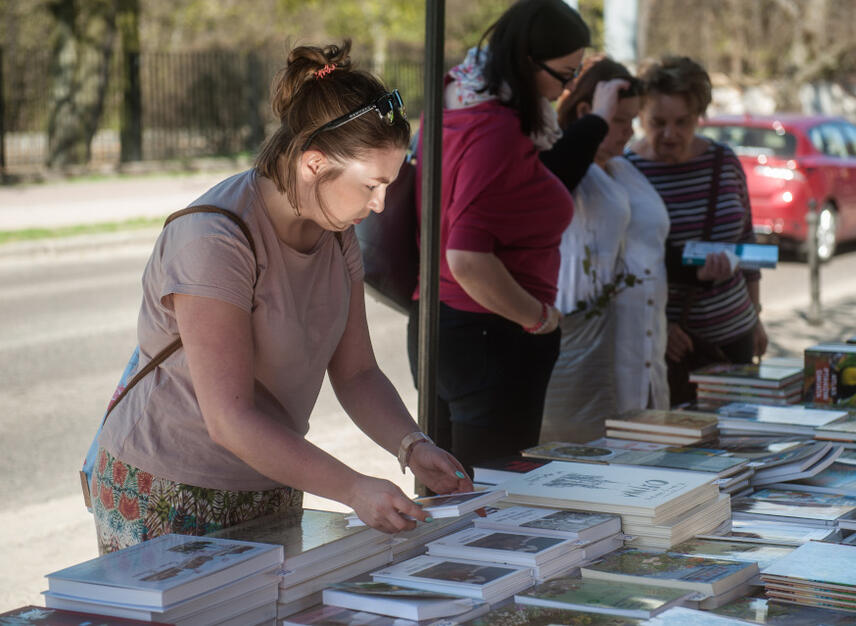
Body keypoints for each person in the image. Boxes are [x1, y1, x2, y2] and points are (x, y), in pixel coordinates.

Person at [91, 41, 472, 554]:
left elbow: (357, 373)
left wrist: (412, 445)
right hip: (169, 488)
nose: (380, 205)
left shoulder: (336, 231)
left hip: (270, 476)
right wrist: (353, 488)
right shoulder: (214, 238)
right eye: (371, 186)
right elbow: (230, 419)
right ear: (314, 164)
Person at [406, 0, 616, 474]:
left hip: (442, 327)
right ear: (526, 62)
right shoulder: (496, 129)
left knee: (450, 497)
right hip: (490, 334)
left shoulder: (457, 100)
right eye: (565, 74)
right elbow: (467, 257)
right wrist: (539, 318)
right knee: (492, 505)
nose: (566, 88)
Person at [624, 56, 768, 406]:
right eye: (657, 122)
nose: (670, 135)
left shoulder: (723, 161)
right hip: (669, 348)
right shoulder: (627, 171)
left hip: (733, 337)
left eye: (682, 122)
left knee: (736, 442)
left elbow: (745, 240)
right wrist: (658, 329)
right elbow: (621, 265)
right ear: (640, 115)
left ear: (699, 117)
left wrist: (756, 318)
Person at [541, 56, 671, 443]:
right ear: (588, 113)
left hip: (645, 343)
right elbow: (559, 175)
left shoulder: (622, 168)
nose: (629, 133)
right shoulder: (568, 161)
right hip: (591, 347)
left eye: (633, 121)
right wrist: (595, 122)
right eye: (620, 121)